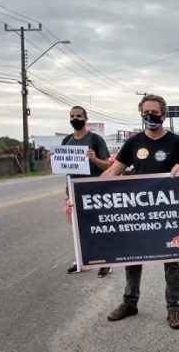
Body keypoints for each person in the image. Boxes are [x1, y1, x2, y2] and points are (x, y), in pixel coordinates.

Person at [101, 94, 179, 330]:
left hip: (169, 213)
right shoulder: (133, 143)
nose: (150, 116)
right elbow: (113, 172)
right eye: (146, 112)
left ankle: (173, 308)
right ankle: (130, 303)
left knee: (171, 260)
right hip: (138, 212)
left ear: (163, 115)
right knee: (133, 258)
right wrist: (82, 192)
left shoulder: (177, 143)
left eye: (154, 112)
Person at [62, 106, 112, 278]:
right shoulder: (67, 140)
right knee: (79, 228)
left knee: (98, 227)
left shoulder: (96, 140)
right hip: (73, 189)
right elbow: (63, 166)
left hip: (93, 190)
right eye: (72, 116)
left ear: (85, 118)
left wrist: (94, 158)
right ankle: (82, 260)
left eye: (78, 116)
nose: (75, 118)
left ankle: (105, 261)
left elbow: (108, 165)